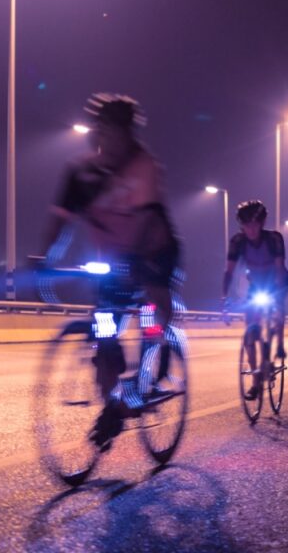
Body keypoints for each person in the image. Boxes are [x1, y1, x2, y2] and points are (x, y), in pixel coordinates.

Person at [41, 93, 181, 449]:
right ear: (97, 133)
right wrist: (43, 259)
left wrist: (136, 264)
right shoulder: (80, 172)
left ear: (129, 133)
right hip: (114, 263)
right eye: (105, 131)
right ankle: (113, 409)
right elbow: (61, 222)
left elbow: (148, 219)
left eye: (120, 132)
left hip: (153, 252)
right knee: (104, 339)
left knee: (154, 309)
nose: (113, 139)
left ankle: (159, 358)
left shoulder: (144, 165)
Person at [222, 200, 288, 400]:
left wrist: (276, 298)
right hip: (256, 285)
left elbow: (279, 269)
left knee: (277, 306)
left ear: (261, 223)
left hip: (278, 282)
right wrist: (224, 298)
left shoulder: (274, 239)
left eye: (254, 225)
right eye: (245, 226)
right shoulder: (237, 242)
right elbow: (229, 271)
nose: (250, 230)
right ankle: (255, 381)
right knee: (250, 331)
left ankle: (279, 343)